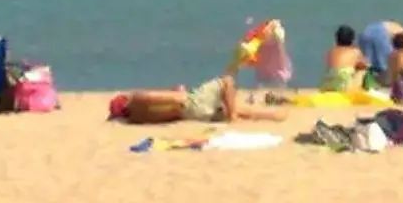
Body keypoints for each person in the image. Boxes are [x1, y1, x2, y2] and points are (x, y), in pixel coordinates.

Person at [110, 79, 287, 125]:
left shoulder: (138, 118)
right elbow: (177, 99)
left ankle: (270, 116)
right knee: (227, 81)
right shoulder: (136, 99)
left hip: (190, 114)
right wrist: (178, 92)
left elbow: (170, 112)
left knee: (229, 108)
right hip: (190, 103)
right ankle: (235, 117)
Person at [319, 25, 367, 94]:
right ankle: (357, 90)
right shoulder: (355, 51)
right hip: (343, 85)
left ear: (336, 39)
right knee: (362, 70)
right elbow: (364, 65)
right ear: (352, 40)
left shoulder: (331, 51)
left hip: (327, 83)